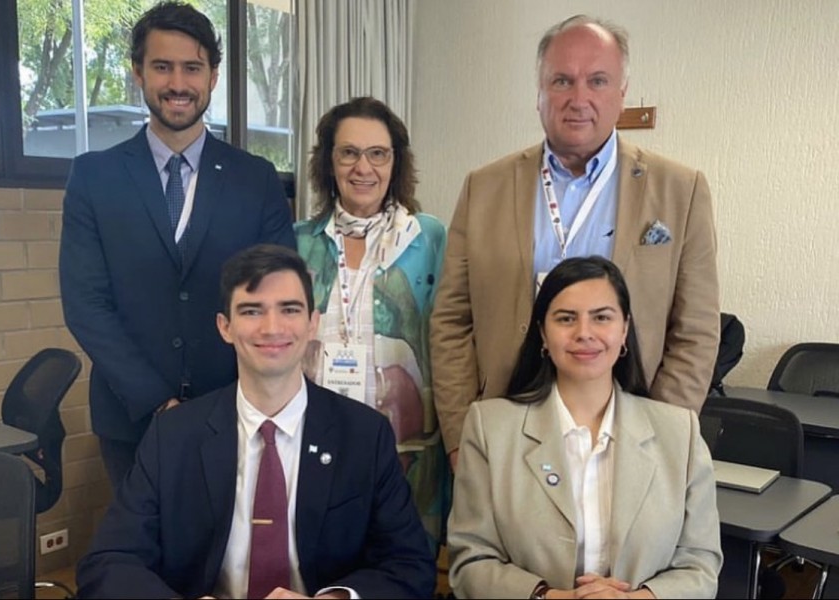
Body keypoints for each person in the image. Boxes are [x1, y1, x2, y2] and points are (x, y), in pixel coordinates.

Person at [430, 14, 719, 470]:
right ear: (539, 92)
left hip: (629, 434)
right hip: (505, 430)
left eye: (597, 80)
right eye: (561, 80)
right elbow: (451, 320)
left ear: (622, 92)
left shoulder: (680, 190)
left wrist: (659, 433)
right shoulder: (484, 187)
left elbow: (696, 331)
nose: (578, 98)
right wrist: (460, 433)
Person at [75, 244, 435, 599]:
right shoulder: (172, 436)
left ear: (313, 324)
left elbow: (409, 565)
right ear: (225, 327)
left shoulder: (364, 435)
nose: (271, 327)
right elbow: (108, 562)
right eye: (251, 311)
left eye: (289, 309)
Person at [59, 1, 296, 490]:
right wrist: (155, 402)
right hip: (131, 416)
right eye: (162, 67)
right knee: (144, 557)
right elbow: (86, 304)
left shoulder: (257, 180)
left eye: (193, 67)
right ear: (138, 74)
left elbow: (275, 296)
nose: (178, 83)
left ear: (213, 76)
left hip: (236, 411)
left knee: (232, 558)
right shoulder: (94, 177)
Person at [447, 256, 722, 599]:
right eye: (566, 318)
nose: (584, 333)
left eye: (602, 317)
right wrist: (552, 598)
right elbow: (470, 562)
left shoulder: (679, 433)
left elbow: (701, 564)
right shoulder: (490, 428)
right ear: (542, 333)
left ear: (624, 330)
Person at [294, 96, 449, 553]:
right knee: (320, 558)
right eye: (349, 152)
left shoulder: (430, 238)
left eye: (378, 153)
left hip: (407, 442)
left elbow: (454, 336)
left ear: (395, 162)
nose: (364, 167)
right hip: (317, 434)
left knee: (401, 563)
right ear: (329, 162)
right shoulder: (299, 241)